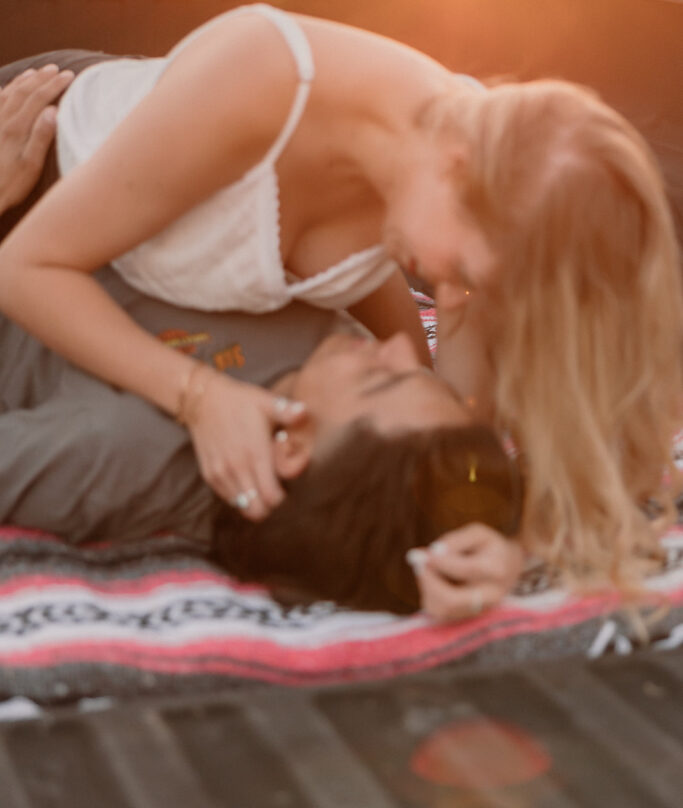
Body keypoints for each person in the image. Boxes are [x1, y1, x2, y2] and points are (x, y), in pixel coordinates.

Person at [0, 5, 680, 598]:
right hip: (32, 163)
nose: (452, 293)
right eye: (466, 269)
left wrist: (499, 538)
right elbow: (26, 267)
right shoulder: (264, 74)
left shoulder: (456, 199)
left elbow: (457, 423)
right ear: (456, 169)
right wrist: (200, 397)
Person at [0, 71, 523, 619]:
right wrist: (499, 537)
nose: (395, 349)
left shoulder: (125, 456)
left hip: (24, 143)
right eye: (417, 370)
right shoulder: (369, 400)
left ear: (294, 448)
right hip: (142, 113)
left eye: (380, 377)